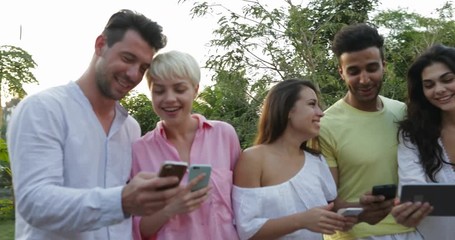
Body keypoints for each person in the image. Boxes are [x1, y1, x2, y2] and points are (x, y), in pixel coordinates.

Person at [7, 9, 181, 240]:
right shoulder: (43, 109)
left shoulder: (131, 128)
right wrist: (121, 201)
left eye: (142, 67)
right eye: (128, 58)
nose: (133, 74)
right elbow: (35, 202)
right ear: (100, 44)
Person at [319, 23, 422, 239]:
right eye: (354, 71)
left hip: (410, 231)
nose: (364, 79)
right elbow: (324, 200)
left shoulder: (402, 112)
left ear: (384, 66)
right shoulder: (325, 124)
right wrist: (360, 210)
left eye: (372, 68)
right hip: (355, 235)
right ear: (341, 73)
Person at [130, 50, 241, 239]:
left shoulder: (224, 135)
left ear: (195, 90)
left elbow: (242, 202)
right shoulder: (139, 150)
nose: (169, 98)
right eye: (159, 90)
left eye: (179, 89)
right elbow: (139, 229)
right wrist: (172, 208)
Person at [232, 79, 355, 240]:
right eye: (312, 104)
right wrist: (301, 221)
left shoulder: (316, 161)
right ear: (288, 110)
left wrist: (365, 207)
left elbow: (332, 208)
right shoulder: (253, 159)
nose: (321, 113)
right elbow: (246, 230)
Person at [391, 44, 455, 240]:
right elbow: (413, 188)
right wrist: (409, 209)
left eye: (448, 80)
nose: (439, 90)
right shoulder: (413, 134)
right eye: (429, 85)